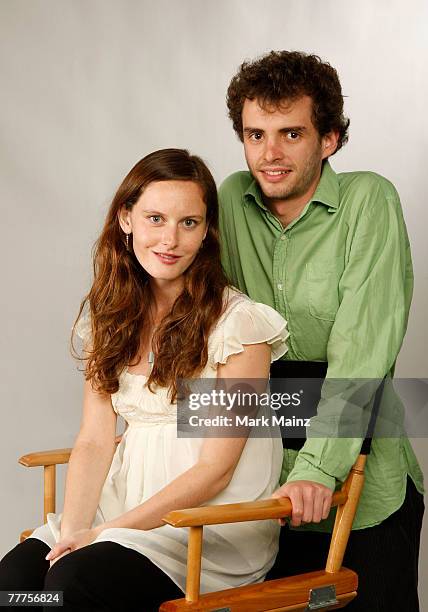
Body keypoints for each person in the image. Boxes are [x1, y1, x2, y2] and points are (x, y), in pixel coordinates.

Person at [0, 148, 289, 611]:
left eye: (189, 223)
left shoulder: (239, 326)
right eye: (156, 218)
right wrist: (76, 531)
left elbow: (216, 468)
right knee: (15, 586)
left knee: (70, 586)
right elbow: (95, 440)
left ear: (206, 231)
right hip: (122, 501)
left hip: (205, 522)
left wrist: (107, 534)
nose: (170, 239)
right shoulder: (111, 317)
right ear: (126, 218)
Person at [218, 51, 425, 611]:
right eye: (255, 134)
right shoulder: (230, 201)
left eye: (291, 133)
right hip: (260, 487)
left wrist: (315, 469)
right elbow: (202, 329)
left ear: (329, 139)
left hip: (359, 485)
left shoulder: (368, 200)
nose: (270, 153)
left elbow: (363, 351)